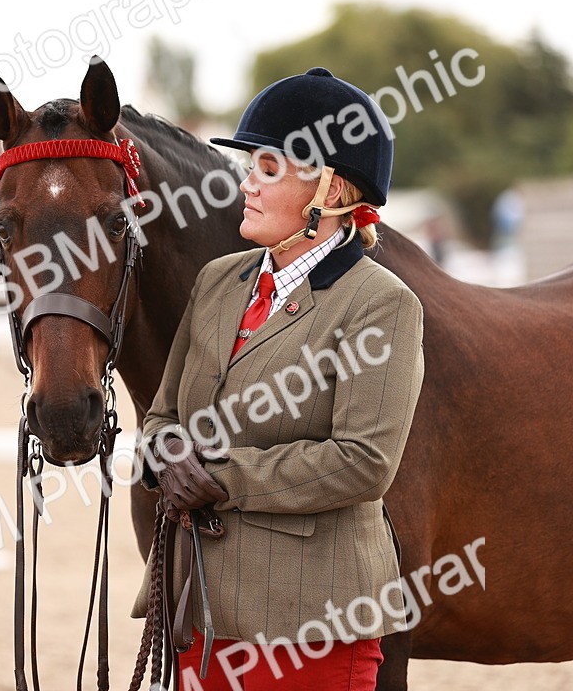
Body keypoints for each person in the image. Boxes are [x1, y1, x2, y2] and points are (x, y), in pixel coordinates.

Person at [132, 67, 425, 690]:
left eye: (267, 170)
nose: (246, 185)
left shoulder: (382, 304)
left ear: (331, 189)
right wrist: (167, 454)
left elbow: (364, 461)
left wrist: (217, 477)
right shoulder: (217, 281)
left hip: (312, 626)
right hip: (198, 612)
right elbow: (161, 417)